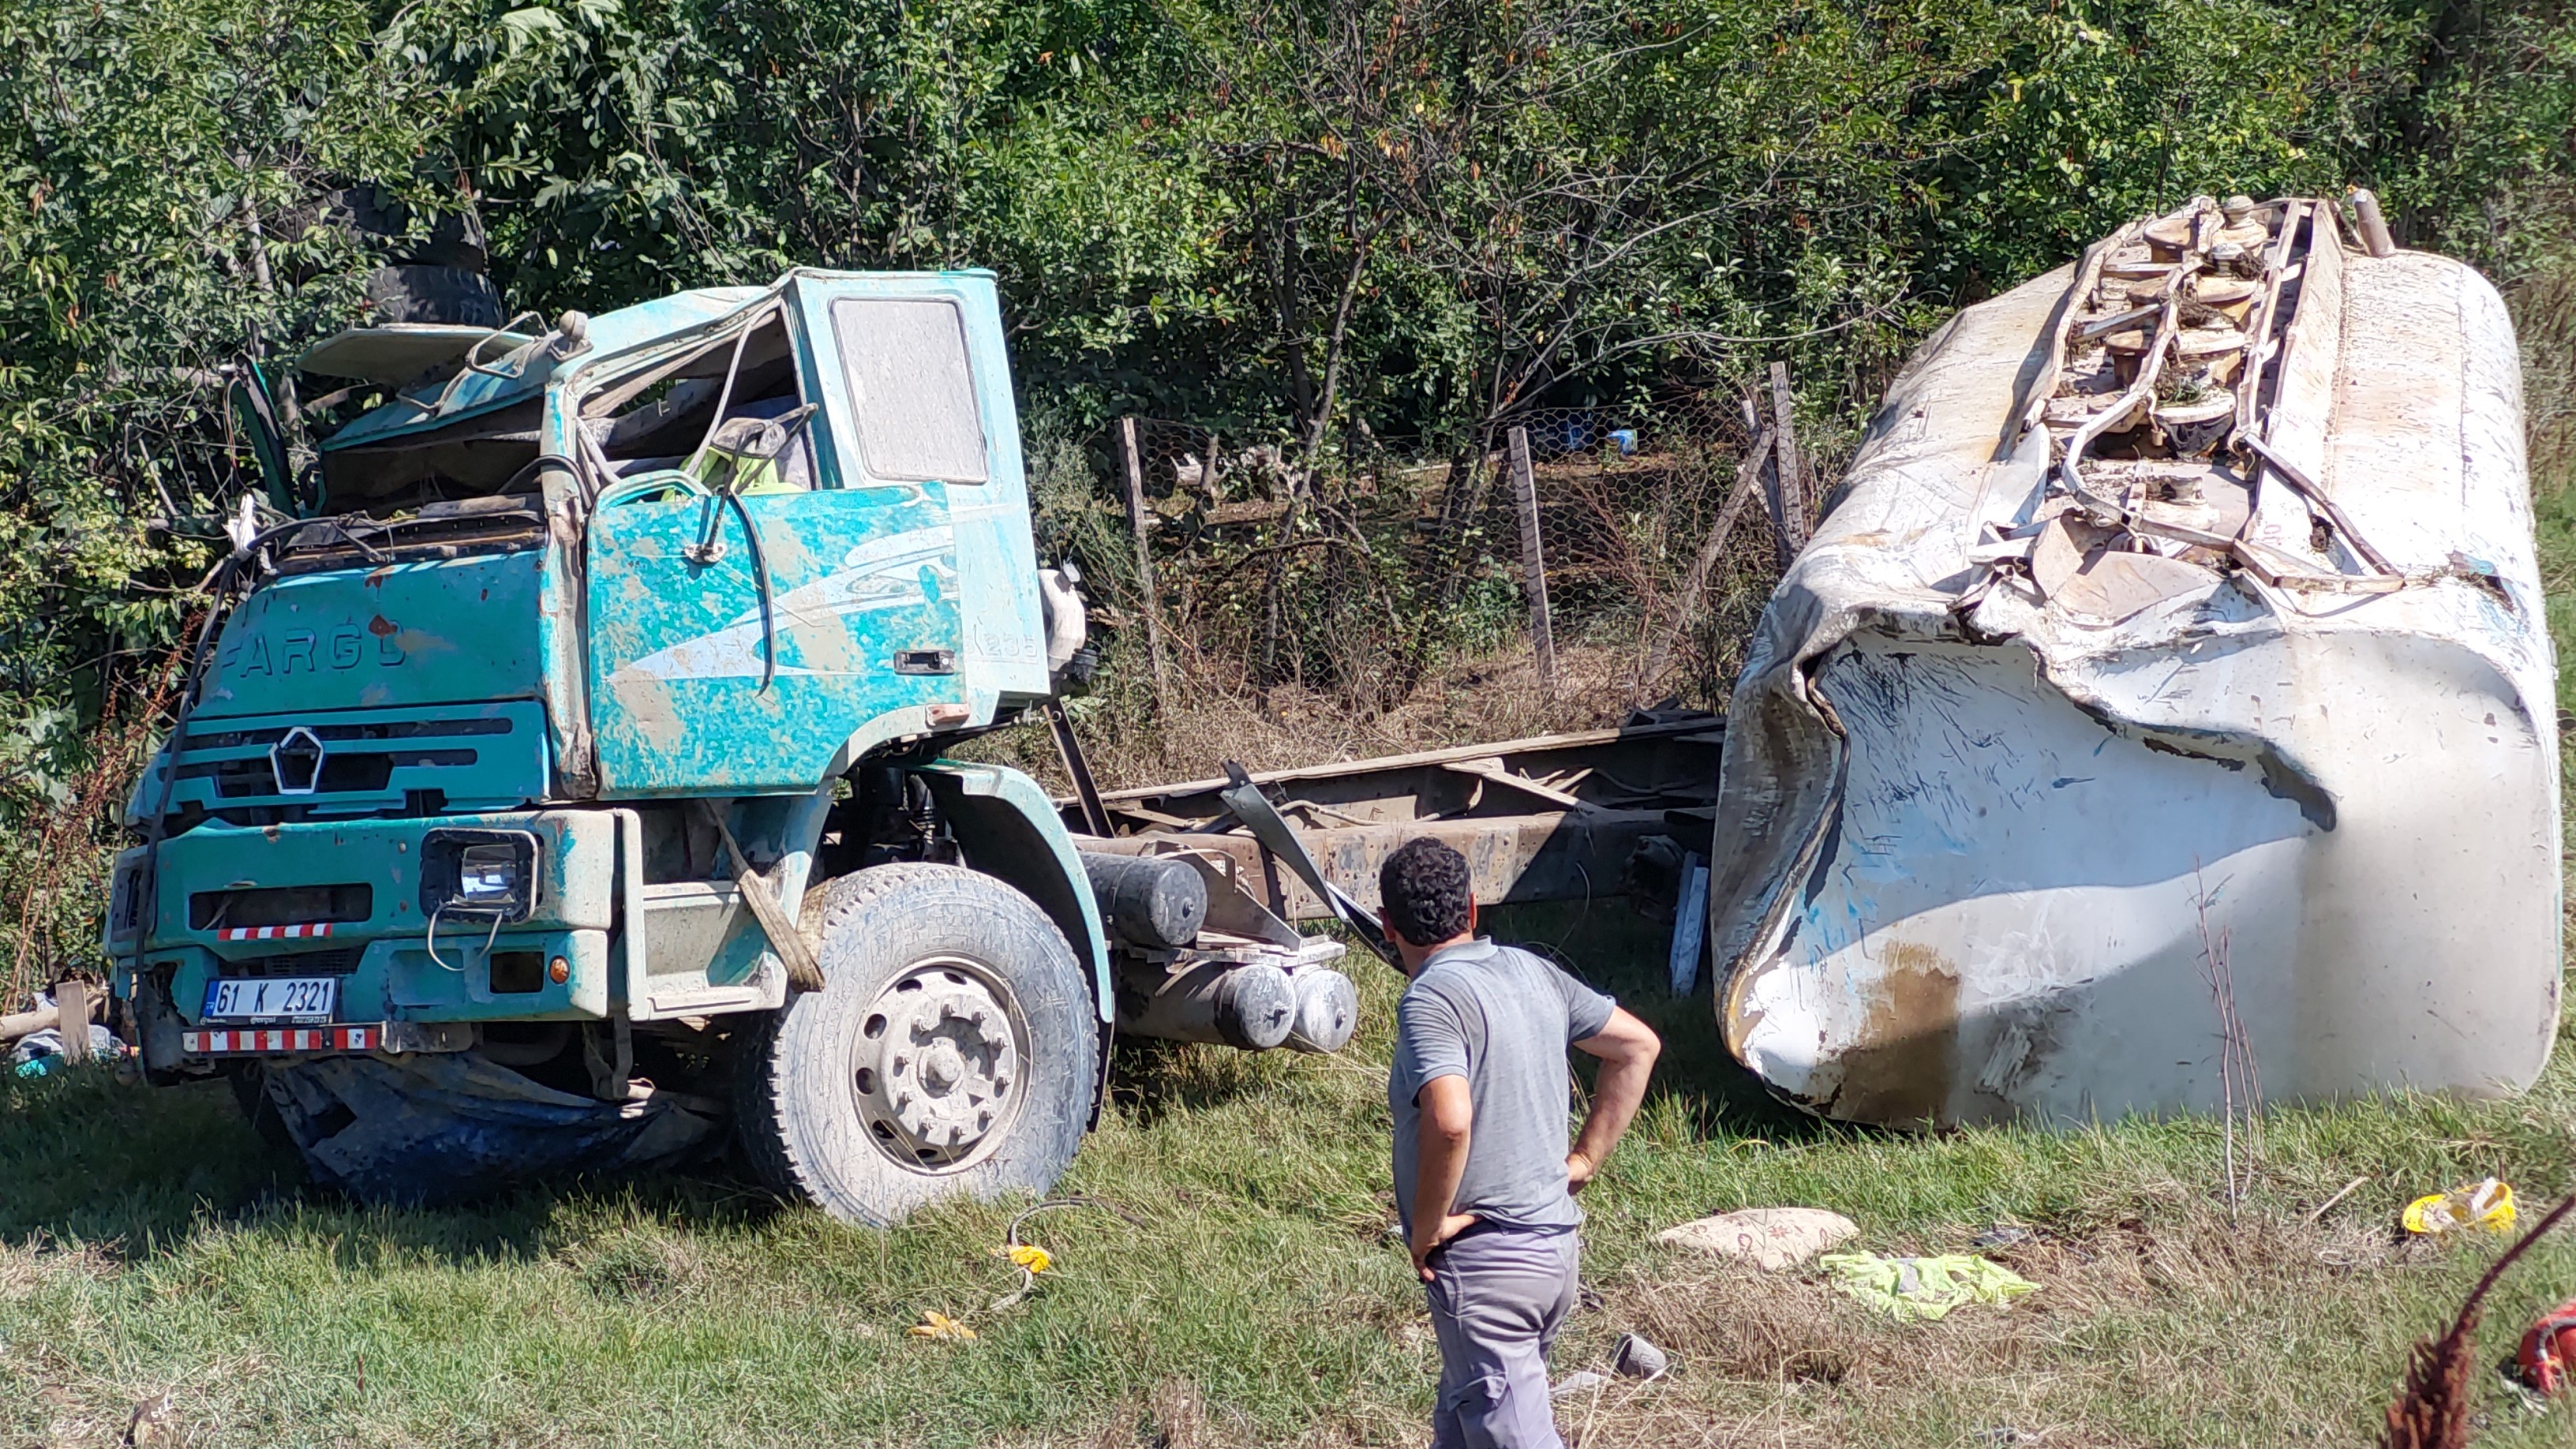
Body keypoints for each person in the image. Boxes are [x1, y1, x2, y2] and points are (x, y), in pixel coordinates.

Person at [1379, 837, 1662, 1449]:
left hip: (1489, 1269)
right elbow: (1638, 1046)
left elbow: (1451, 1120)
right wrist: (1584, 1160)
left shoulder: (1430, 998)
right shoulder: (1535, 971)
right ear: (1473, 911)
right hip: (1553, 1251)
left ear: (1387, 925)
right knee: (1465, 1420)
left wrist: (1426, 1228)